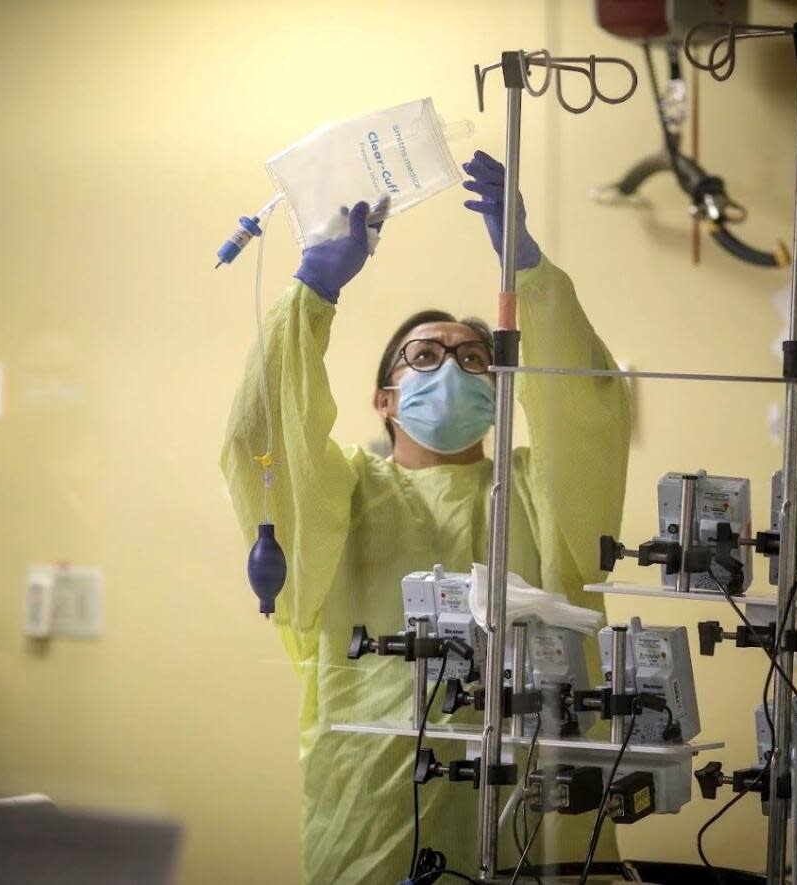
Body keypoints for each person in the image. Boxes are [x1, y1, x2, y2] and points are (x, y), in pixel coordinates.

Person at [221, 151, 631, 883]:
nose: (451, 368)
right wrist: (311, 293)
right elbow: (261, 439)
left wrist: (531, 275)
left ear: (504, 393)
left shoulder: (537, 491)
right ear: (384, 399)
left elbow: (590, 407)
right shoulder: (344, 493)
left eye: (476, 358)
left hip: (535, 799)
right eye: (425, 354)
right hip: (376, 799)